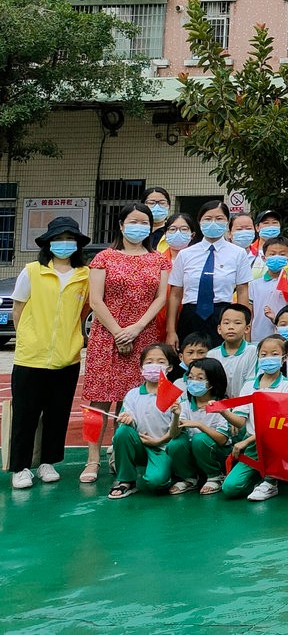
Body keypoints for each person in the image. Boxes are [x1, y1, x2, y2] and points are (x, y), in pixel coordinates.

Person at [80, 204, 173, 483]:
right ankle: (92, 458)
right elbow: (96, 299)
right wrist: (119, 331)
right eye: (133, 221)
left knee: (130, 399)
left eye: (144, 222)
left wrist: (136, 328)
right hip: (106, 336)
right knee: (98, 400)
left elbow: (160, 298)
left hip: (143, 336)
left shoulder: (160, 260)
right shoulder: (103, 258)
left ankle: (118, 453)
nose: (139, 227)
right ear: (121, 226)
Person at [8, 216, 91, 490]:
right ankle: (20, 467)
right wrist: (27, 339)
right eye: (59, 239)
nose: (64, 245)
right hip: (31, 357)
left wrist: (74, 340)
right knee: (25, 414)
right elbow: (18, 309)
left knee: (58, 413)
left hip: (67, 357)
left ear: (78, 245)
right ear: (48, 243)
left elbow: (83, 312)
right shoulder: (32, 271)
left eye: (70, 240)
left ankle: (48, 462)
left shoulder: (84, 275)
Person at [166, 200, 251, 348]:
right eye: (208, 219)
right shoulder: (185, 254)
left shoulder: (238, 253)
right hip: (190, 315)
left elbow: (243, 292)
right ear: (199, 222)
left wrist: (243, 328)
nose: (213, 223)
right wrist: (171, 331)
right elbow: (175, 294)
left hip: (223, 316)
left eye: (219, 219)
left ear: (226, 223)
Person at [223, 336, 288, 501]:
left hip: (274, 443)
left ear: (284, 358)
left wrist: (245, 442)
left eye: (274, 354)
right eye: (263, 354)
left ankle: (271, 481)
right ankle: (260, 475)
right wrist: (223, 411)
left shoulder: (287, 386)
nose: (268, 358)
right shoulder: (249, 385)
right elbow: (240, 421)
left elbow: (279, 426)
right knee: (230, 488)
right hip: (252, 446)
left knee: (276, 442)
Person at [107, 343, 181, 498]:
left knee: (156, 483)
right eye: (149, 362)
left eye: (161, 362)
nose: (154, 366)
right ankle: (126, 481)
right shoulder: (133, 394)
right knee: (122, 432)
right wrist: (127, 420)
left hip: (162, 447)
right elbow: (128, 422)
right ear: (141, 369)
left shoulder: (175, 394)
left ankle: (170, 471)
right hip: (140, 444)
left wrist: (174, 418)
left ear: (170, 368)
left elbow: (177, 431)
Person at [167, 357, 234, 495]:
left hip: (217, 453)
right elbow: (173, 434)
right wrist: (176, 416)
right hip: (194, 455)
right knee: (175, 443)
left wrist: (199, 425)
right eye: (190, 377)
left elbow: (222, 440)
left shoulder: (221, 406)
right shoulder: (185, 405)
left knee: (200, 439)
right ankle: (189, 478)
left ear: (212, 382)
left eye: (200, 378)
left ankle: (215, 476)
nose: (193, 382)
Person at [207, 303, 257, 396]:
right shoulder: (211, 355)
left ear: (247, 328)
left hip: (245, 405)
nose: (231, 327)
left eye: (237, 323)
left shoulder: (253, 351)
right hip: (219, 406)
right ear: (219, 329)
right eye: (226, 323)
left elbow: (251, 383)